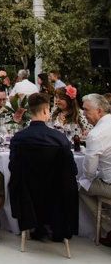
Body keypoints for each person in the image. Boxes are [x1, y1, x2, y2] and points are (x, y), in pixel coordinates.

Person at [9, 93, 78, 242]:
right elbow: (72, 170)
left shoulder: (18, 138)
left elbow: (13, 168)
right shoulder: (59, 138)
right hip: (56, 198)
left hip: (26, 196)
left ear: (29, 111)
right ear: (46, 111)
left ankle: (36, 226)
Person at [80, 93, 111, 245]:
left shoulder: (96, 134)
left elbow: (89, 172)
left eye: (86, 110)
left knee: (81, 184)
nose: (84, 115)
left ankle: (107, 227)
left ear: (99, 111)